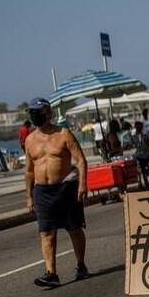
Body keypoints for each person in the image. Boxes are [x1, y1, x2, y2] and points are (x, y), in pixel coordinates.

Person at [23, 98, 90, 287]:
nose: (34, 115)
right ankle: (51, 273)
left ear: (48, 113)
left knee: (74, 228)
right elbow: (28, 171)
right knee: (46, 232)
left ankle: (81, 265)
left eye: (38, 111)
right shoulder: (29, 140)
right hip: (42, 191)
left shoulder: (63, 134)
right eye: (32, 112)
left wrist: (83, 184)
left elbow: (81, 160)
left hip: (66, 187)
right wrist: (29, 196)